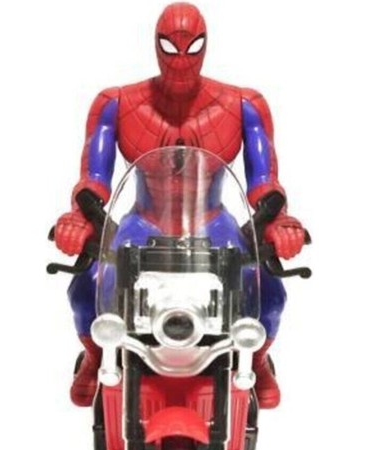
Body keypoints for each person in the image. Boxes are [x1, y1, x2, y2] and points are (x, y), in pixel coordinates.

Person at [54, 2, 306, 409]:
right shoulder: (116, 103)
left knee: (267, 287)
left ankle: (255, 360)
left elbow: (265, 183)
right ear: (154, 44)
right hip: (142, 222)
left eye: (193, 46)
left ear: (208, 45)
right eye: (170, 47)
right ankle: (98, 356)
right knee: (89, 282)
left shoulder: (243, 104)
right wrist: (78, 218)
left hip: (213, 222)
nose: (182, 59)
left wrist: (281, 221)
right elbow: (93, 181)